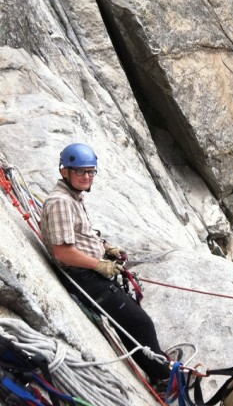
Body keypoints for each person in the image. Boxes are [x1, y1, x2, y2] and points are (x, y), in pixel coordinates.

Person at [40, 143, 172, 390]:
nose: (86, 177)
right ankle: (165, 378)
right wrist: (99, 264)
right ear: (64, 171)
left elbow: (80, 235)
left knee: (131, 321)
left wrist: (106, 248)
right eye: (80, 171)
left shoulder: (73, 198)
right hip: (84, 278)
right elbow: (62, 251)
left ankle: (157, 366)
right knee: (140, 324)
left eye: (90, 172)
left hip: (90, 273)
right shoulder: (61, 202)